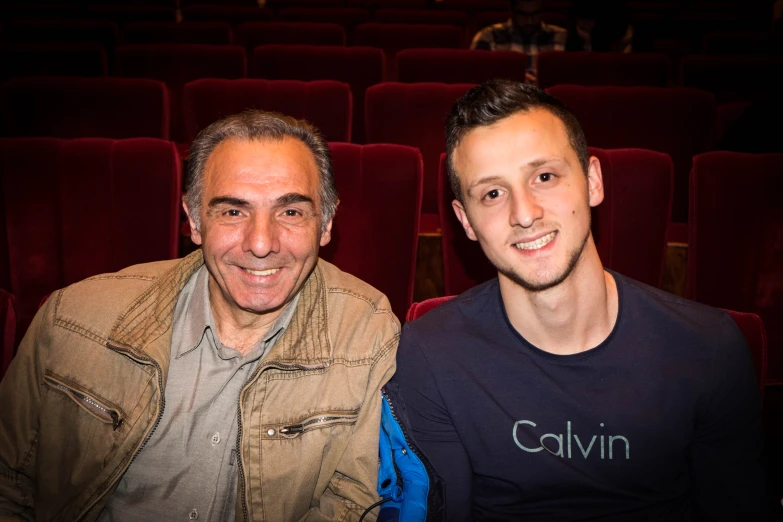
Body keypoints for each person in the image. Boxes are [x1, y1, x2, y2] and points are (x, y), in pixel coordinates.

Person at [385, 80, 765, 521]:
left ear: (592, 181)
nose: (524, 213)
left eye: (544, 177)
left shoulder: (709, 349)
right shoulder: (429, 355)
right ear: (466, 221)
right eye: (492, 193)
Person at [0, 111, 399, 521]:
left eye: (291, 212)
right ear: (193, 220)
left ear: (327, 222)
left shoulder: (366, 335)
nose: (261, 243)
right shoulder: (74, 320)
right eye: (232, 212)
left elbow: (352, 505)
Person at [470, 0, 567, 82]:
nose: (529, 21)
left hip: (549, 100)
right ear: (511, 11)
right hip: (504, 99)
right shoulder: (488, 36)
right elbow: (475, 79)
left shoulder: (562, 36)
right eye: (522, 14)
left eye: (535, 14)